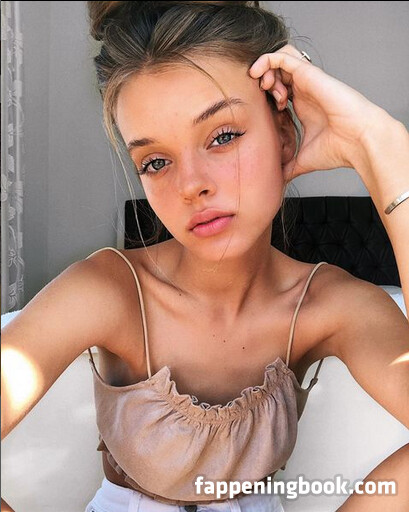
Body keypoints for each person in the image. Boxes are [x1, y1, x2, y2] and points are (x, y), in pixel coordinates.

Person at [2, 1, 408, 511]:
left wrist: (384, 147)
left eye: (223, 136)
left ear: (284, 136)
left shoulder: (332, 305)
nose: (191, 185)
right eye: (155, 161)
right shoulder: (108, 291)